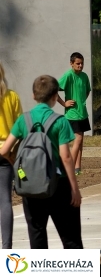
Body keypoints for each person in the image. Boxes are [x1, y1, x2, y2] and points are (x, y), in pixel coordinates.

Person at [0, 75, 82, 249]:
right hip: (58, 184)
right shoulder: (60, 121)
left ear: (33, 96)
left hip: (31, 186)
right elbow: (66, 157)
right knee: (70, 237)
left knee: (37, 235)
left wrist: (17, 166)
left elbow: (4, 150)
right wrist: (74, 189)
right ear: (54, 97)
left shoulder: (24, 120)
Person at [57, 52, 91, 175]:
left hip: (83, 113)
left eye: (82, 63)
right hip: (72, 114)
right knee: (78, 138)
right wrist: (64, 103)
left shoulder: (84, 76)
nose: (80, 66)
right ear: (71, 63)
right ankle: (68, 167)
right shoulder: (68, 75)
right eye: (78, 63)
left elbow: (87, 91)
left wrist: (81, 102)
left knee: (81, 140)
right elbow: (54, 89)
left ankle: (78, 167)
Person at [0, 62, 21, 248]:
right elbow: (20, 129)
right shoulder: (12, 97)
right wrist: (13, 154)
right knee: (5, 200)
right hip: (5, 153)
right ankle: (6, 248)